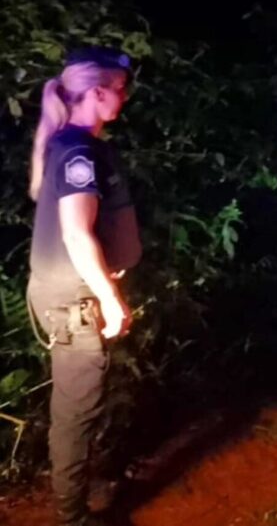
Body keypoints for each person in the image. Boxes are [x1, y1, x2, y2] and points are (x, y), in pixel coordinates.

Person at [27, 47, 142, 526]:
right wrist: (112, 301)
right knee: (76, 412)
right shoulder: (77, 150)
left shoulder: (80, 144)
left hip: (77, 292)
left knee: (83, 403)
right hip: (74, 300)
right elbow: (76, 232)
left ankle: (83, 485)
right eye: (121, 88)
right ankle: (71, 517)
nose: (126, 96)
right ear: (97, 92)